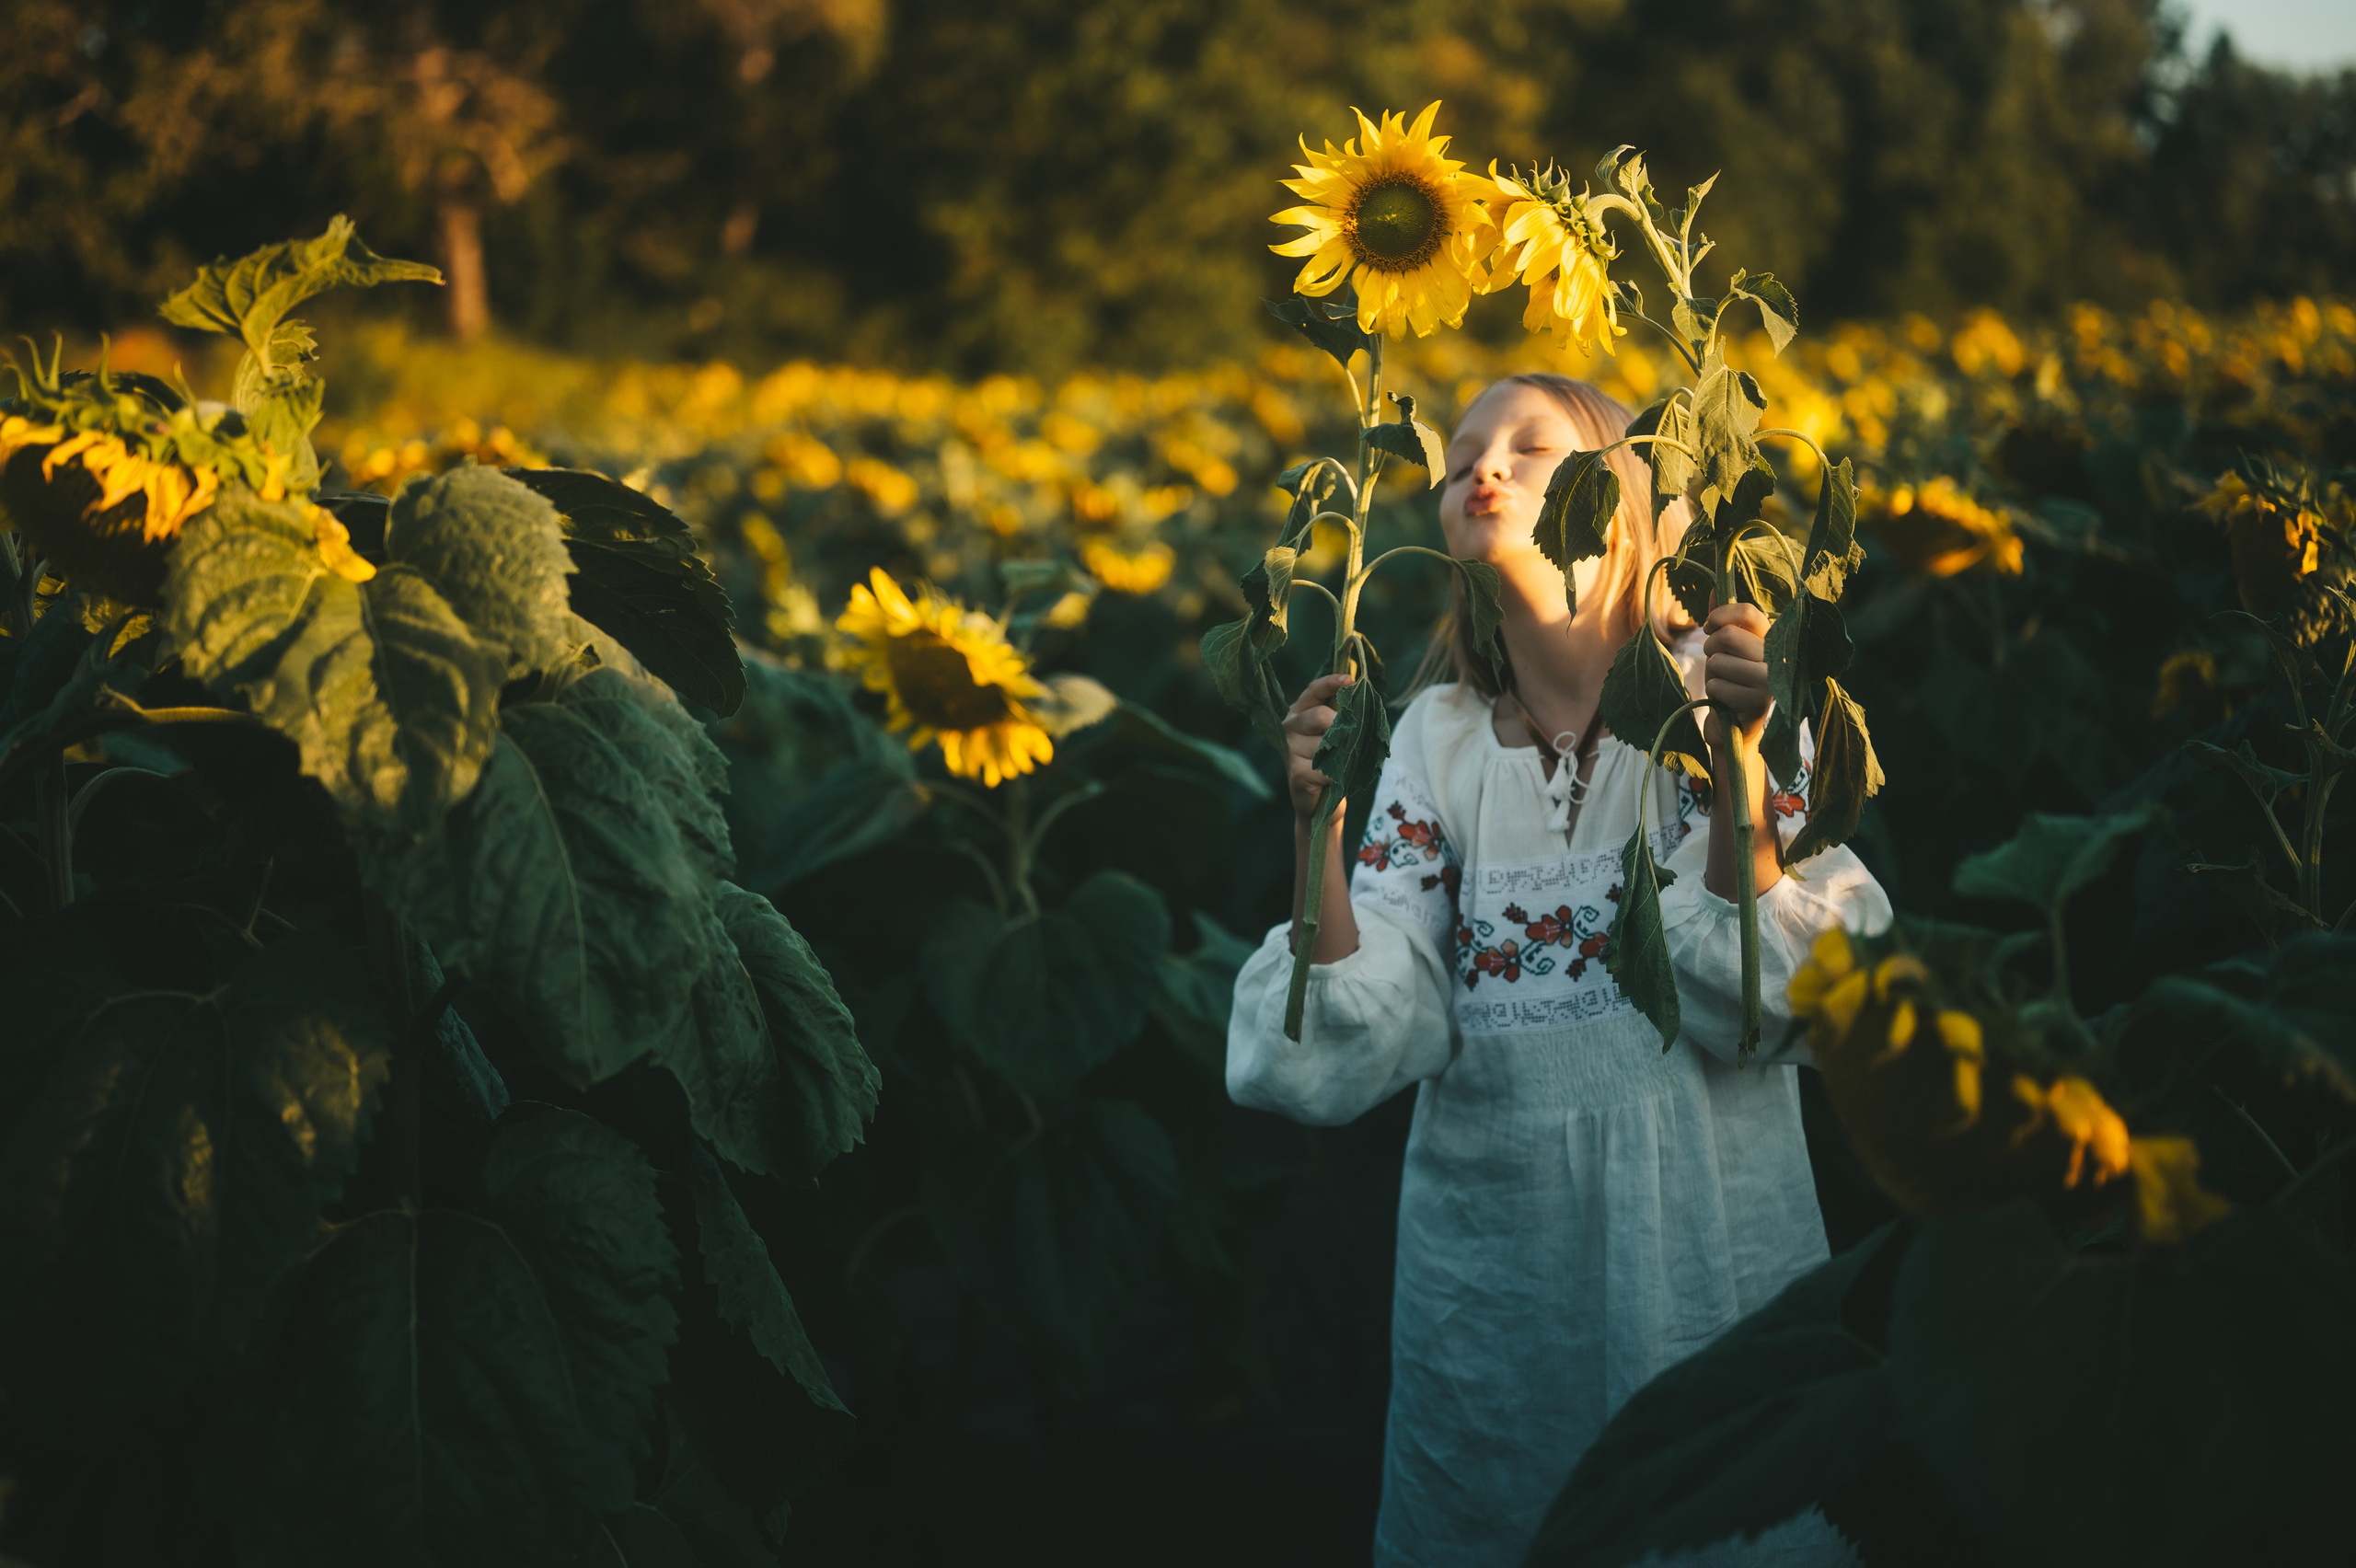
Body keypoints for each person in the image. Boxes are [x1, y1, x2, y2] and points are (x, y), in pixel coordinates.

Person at [1225, 375, 1889, 1566]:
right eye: (1465, 451)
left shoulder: (1714, 698)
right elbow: (1371, 1022)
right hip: (1496, 1264)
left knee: (1713, 1517)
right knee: (1504, 1507)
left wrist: (1740, 774)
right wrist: (1314, 829)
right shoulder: (1436, 739)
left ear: (1627, 506)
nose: (1484, 464)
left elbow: (1779, 995)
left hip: (1702, 1233)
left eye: (1534, 450)